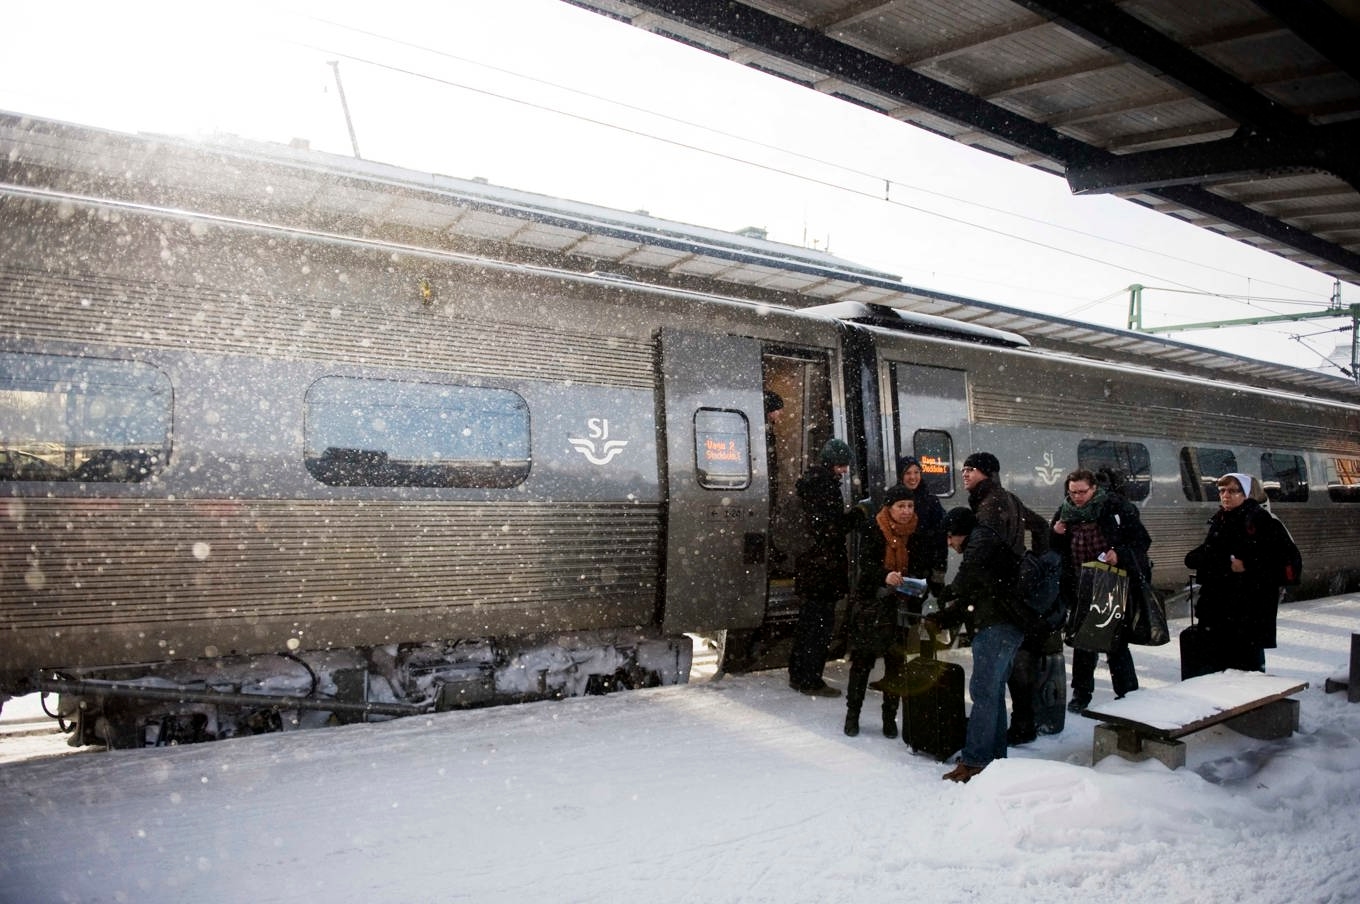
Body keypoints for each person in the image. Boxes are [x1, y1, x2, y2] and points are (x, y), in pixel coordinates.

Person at [925, 505, 1023, 783]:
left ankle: (975, 761)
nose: (948, 542)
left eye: (950, 536)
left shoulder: (979, 547)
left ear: (961, 533)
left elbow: (966, 585)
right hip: (1004, 626)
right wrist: (945, 616)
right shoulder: (989, 547)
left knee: (983, 692)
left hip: (996, 628)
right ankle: (995, 757)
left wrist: (946, 594)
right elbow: (974, 597)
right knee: (992, 694)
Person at [1050, 468, 1152, 713]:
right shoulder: (1065, 512)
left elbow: (1142, 541)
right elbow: (1053, 547)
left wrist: (1120, 553)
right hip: (1080, 583)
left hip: (1110, 582)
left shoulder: (1115, 507)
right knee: (1083, 640)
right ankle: (1081, 693)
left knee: (1115, 640)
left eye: (1082, 492)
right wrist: (1055, 534)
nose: (1077, 497)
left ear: (1094, 488)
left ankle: (1127, 692)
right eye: (1072, 492)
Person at [1184, 473, 1289, 673]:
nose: (1226, 495)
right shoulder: (1222, 519)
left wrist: (1247, 564)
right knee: (1219, 667)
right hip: (1218, 607)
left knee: (1244, 669)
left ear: (1247, 493)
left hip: (1245, 610)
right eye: (1222, 491)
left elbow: (1277, 559)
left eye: (1233, 491)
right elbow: (1211, 553)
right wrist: (1201, 559)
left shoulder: (1258, 520)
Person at [844, 484, 917, 737]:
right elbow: (866, 565)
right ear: (889, 508)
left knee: (895, 666)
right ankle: (852, 716)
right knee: (862, 663)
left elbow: (921, 564)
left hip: (901, 608)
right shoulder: (875, 528)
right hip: (873, 607)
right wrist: (886, 576)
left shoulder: (915, 530)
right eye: (901, 506)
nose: (906, 511)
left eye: (910, 506)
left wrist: (917, 583)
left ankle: (889, 718)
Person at [788, 438, 856, 697]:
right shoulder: (824, 487)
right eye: (841, 465)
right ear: (830, 463)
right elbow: (831, 530)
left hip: (811, 565)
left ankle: (798, 674)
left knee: (808, 623)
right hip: (822, 569)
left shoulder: (811, 482)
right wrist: (857, 516)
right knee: (819, 627)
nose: (844, 470)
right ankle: (810, 680)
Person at [898, 456, 947, 602]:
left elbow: (940, 537)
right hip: (899, 567)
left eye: (916, 472)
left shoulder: (931, 502)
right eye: (908, 473)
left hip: (923, 567)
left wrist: (939, 570)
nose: (913, 477)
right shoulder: (892, 499)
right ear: (901, 475)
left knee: (915, 608)